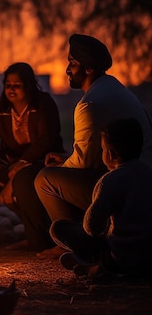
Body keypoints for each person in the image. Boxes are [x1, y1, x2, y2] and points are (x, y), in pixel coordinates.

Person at [34, 33, 152, 259]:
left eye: (72, 63)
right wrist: (68, 158)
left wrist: (64, 165)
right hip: (143, 178)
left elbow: (83, 162)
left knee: (45, 179)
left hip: (126, 188)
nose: (67, 69)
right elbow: (94, 152)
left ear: (88, 69)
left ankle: (75, 243)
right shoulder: (115, 88)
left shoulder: (89, 104)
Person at [0, 62, 64, 252]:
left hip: (40, 162)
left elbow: (45, 139)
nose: (11, 89)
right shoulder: (1, 108)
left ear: (28, 85)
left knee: (21, 181)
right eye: (8, 84)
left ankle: (37, 241)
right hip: (11, 163)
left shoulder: (42, 104)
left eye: (17, 85)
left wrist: (21, 164)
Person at [50, 118, 152, 279]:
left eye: (102, 148)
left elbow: (91, 228)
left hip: (120, 255)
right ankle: (93, 265)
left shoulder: (110, 180)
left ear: (111, 153)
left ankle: (99, 267)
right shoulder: (148, 173)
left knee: (58, 227)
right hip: (148, 257)